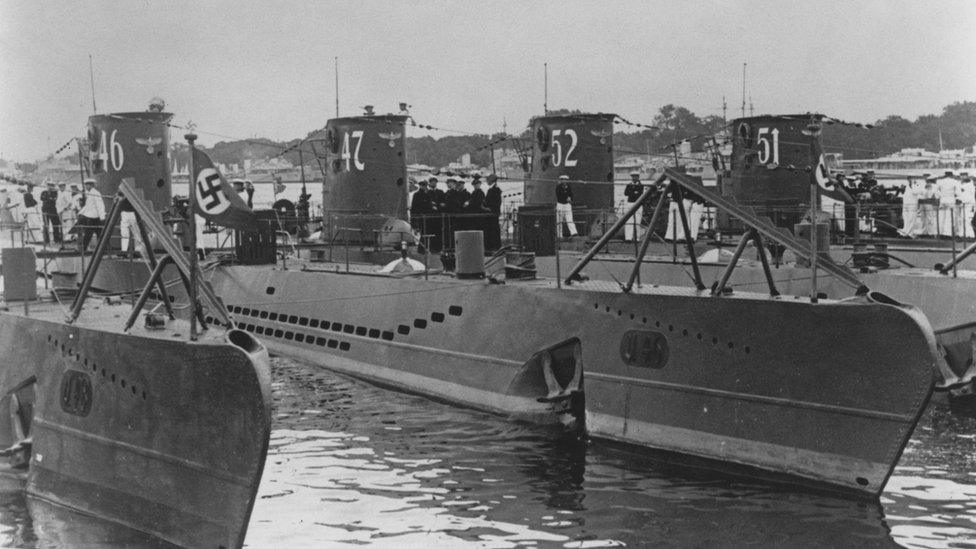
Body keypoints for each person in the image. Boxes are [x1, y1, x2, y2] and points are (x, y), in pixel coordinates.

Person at [77, 178, 106, 250]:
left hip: (94, 217)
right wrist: (80, 212)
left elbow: (100, 205)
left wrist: (102, 217)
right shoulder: (90, 193)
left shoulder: (96, 193)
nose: (86, 186)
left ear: (91, 185)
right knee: (99, 234)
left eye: (87, 185)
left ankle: (83, 249)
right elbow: (88, 206)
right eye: (85, 185)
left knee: (89, 234)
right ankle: (105, 248)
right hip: (91, 217)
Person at [622, 171, 645, 241]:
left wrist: (632, 192)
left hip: (638, 204)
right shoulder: (629, 185)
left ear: (638, 177)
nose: (634, 178)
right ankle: (628, 238)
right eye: (633, 176)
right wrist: (634, 192)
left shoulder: (641, 185)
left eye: (635, 176)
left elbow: (640, 193)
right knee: (629, 221)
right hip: (630, 203)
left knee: (637, 222)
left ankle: (637, 238)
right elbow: (625, 193)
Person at [40, 180, 61, 244]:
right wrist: (49, 198)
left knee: (55, 225)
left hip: (52, 210)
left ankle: (56, 239)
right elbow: (42, 198)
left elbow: (53, 200)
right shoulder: (44, 192)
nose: (49, 187)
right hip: (45, 210)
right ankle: (46, 240)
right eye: (48, 185)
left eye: (51, 186)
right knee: (46, 225)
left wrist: (48, 198)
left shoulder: (55, 192)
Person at [485, 174, 502, 250]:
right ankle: (492, 246)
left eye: (488, 180)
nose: (486, 181)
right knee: (491, 230)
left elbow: (496, 203)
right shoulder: (490, 190)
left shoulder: (496, 190)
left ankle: (495, 246)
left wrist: (489, 209)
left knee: (494, 230)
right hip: (491, 214)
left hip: (493, 213)